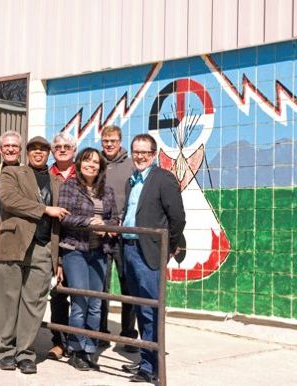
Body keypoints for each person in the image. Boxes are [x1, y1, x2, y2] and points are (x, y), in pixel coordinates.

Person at [0, 136, 69, 374]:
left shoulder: (58, 182)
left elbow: (64, 220)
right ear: (27, 153)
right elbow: (9, 200)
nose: (38, 153)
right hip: (12, 244)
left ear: (49, 154)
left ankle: (25, 353)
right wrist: (45, 209)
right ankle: (4, 350)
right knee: (7, 300)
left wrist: (58, 259)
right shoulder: (12, 173)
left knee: (34, 304)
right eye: (34, 150)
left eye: (43, 150)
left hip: (44, 248)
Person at [121, 134, 185, 383]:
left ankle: (151, 367)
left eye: (145, 152)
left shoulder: (163, 179)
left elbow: (177, 218)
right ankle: (145, 361)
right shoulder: (131, 181)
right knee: (140, 307)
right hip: (128, 247)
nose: (139, 156)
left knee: (150, 308)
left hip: (148, 250)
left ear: (154, 153)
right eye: (136, 151)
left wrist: (169, 245)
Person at [58, 147, 119, 371]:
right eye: (87, 161)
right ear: (79, 164)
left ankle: (91, 349)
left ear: (101, 167)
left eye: (96, 162)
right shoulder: (70, 186)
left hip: (99, 251)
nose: (91, 165)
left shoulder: (107, 190)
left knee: (95, 304)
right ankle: (76, 349)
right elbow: (64, 217)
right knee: (80, 302)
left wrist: (108, 228)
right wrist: (89, 222)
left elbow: (115, 218)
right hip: (75, 250)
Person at [99, 124, 138, 352]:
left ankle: (128, 333)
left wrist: (122, 222)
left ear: (120, 141)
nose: (109, 144)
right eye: (105, 141)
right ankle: (101, 331)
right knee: (101, 286)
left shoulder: (131, 165)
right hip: (102, 235)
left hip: (125, 235)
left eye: (113, 140)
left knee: (128, 284)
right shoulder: (97, 163)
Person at [47, 132, 77, 360]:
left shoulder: (84, 173)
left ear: (74, 150)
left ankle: (80, 342)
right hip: (55, 242)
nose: (62, 149)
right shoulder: (47, 175)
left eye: (67, 146)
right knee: (58, 295)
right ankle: (59, 342)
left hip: (79, 245)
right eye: (58, 146)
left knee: (82, 296)